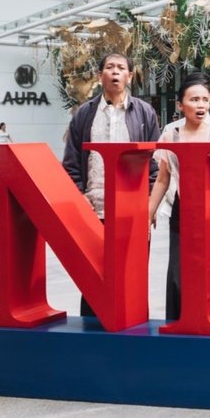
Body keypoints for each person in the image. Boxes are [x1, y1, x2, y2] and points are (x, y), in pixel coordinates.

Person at [61, 52, 162, 318]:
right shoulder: (84, 114)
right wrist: (80, 196)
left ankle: (133, 325)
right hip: (94, 209)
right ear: (100, 75)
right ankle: (91, 329)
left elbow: (154, 163)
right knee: (93, 275)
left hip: (133, 210)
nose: (115, 72)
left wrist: (149, 204)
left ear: (130, 76)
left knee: (132, 275)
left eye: (120, 68)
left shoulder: (144, 112)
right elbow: (71, 162)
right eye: (109, 67)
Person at [149, 73, 210, 320]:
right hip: (183, 208)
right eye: (194, 99)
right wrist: (149, 211)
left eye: (205, 99)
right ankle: (181, 319)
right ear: (180, 104)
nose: (201, 105)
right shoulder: (170, 132)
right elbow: (163, 178)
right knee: (180, 271)